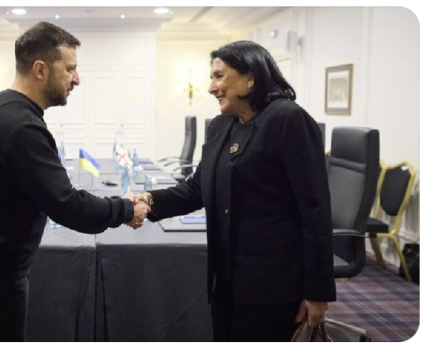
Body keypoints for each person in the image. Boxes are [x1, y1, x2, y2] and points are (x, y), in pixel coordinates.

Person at [0, 21, 150, 342]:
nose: (77, 79)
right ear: (40, 69)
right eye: (70, 69)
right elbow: (68, 206)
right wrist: (126, 209)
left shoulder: (0, 108)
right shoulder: (21, 126)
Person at [135, 41, 336, 342]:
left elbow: (315, 210)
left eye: (218, 76)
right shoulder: (221, 125)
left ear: (250, 78)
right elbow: (195, 190)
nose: (211, 87)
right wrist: (149, 201)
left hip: (273, 284)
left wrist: (318, 292)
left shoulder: (288, 119)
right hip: (227, 279)